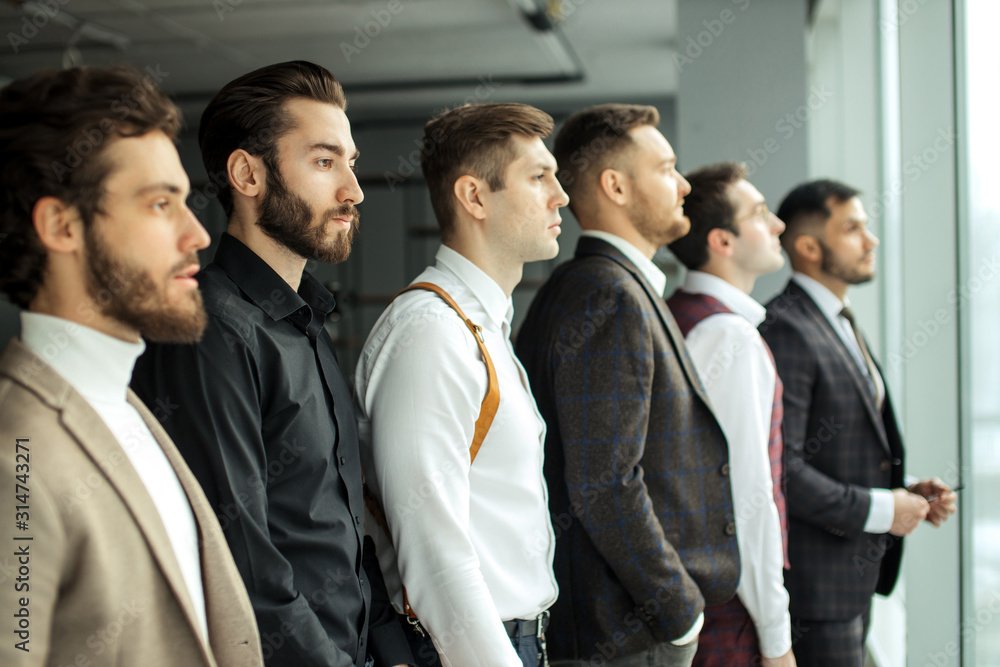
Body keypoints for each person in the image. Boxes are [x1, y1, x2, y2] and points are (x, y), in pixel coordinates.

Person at [130, 61, 412, 667]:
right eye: (323, 161)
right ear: (246, 173)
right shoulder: (209, 328)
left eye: (352, 162)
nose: (353, 190)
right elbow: (239, 562)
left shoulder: (305, 321)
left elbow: (341, 536)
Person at [0, 65, 262, 665]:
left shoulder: (127, 407)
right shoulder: (15, 457)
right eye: (159, 204)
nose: (197, 234)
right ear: (62, 227)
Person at [515, 103, 740, 667]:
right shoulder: (606, 294)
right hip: (620, 632)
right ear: (615, 185)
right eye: (666, 168)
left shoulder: (603, 286)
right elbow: (605, 481)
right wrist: (679, 608)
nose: (684, 183)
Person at [355, 102, 566, 667]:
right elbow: (434, 554)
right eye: (539, 177)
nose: (561, 196)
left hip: (509, 640)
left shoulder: (479, 325)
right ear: (474, 197)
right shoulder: (432, 334)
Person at [760, 179, 957, 666]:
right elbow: (781, 470)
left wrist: (904, 488)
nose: (870, 240)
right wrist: (883, 509)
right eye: (852, 228)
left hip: (850, 584)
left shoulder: (835, 318)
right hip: (814, 593)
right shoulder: (786, 326)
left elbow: (838, 448)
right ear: (808, 246)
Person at [665, 162, 795, 666]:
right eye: (761, 213)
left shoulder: (678, 313)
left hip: (702, 596)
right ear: (722, 241)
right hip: (729, 605)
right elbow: (747, 491)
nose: (778, 224)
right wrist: (776, 636)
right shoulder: (729, 336)